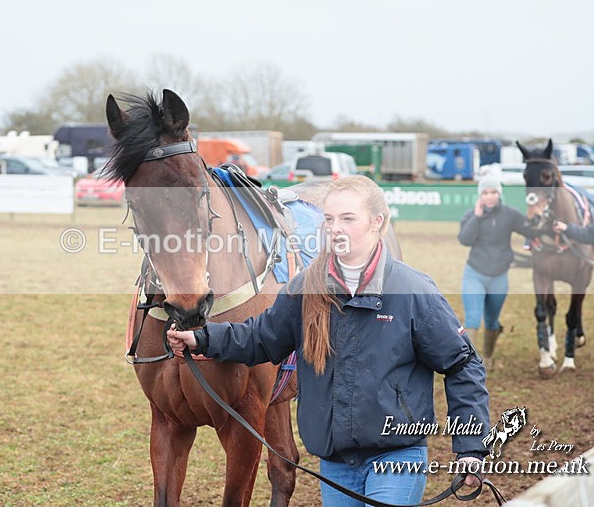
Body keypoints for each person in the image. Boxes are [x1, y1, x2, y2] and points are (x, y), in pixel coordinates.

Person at [167, 176, 489, 506]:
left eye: (348, 219)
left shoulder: (413, 291)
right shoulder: (306, 287)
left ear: (377, 222)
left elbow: (463, 365)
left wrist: (471, 448)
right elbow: (261, 338)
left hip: (397, 457)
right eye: (329, 219)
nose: (335, 228)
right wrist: (202, 339)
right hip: (335, 463)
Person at [458, 174, 534, 367]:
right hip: (474, 274)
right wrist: (476, 217)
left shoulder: (510, 214)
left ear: (499, 194)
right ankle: (472, 364)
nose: (490, 196)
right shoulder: (471, 215)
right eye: (485, 193)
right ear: (480, 195)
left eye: (493, 192)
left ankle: (489, 357)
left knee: (492, 321)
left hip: (499, 277)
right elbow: (464, 239)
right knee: (473, 318)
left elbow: (530, 231)